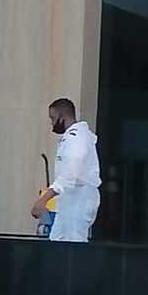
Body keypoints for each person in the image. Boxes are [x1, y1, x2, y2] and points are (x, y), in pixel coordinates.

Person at [31, 98, 101, 243]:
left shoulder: (76, 138)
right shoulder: (71, 137)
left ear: (62, 116)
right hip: (69, 201)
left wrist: (43, 199)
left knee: (73, 246)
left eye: (53, 118)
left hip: (79, 200)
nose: (52, 123)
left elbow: (70, 175)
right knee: (58, 241)